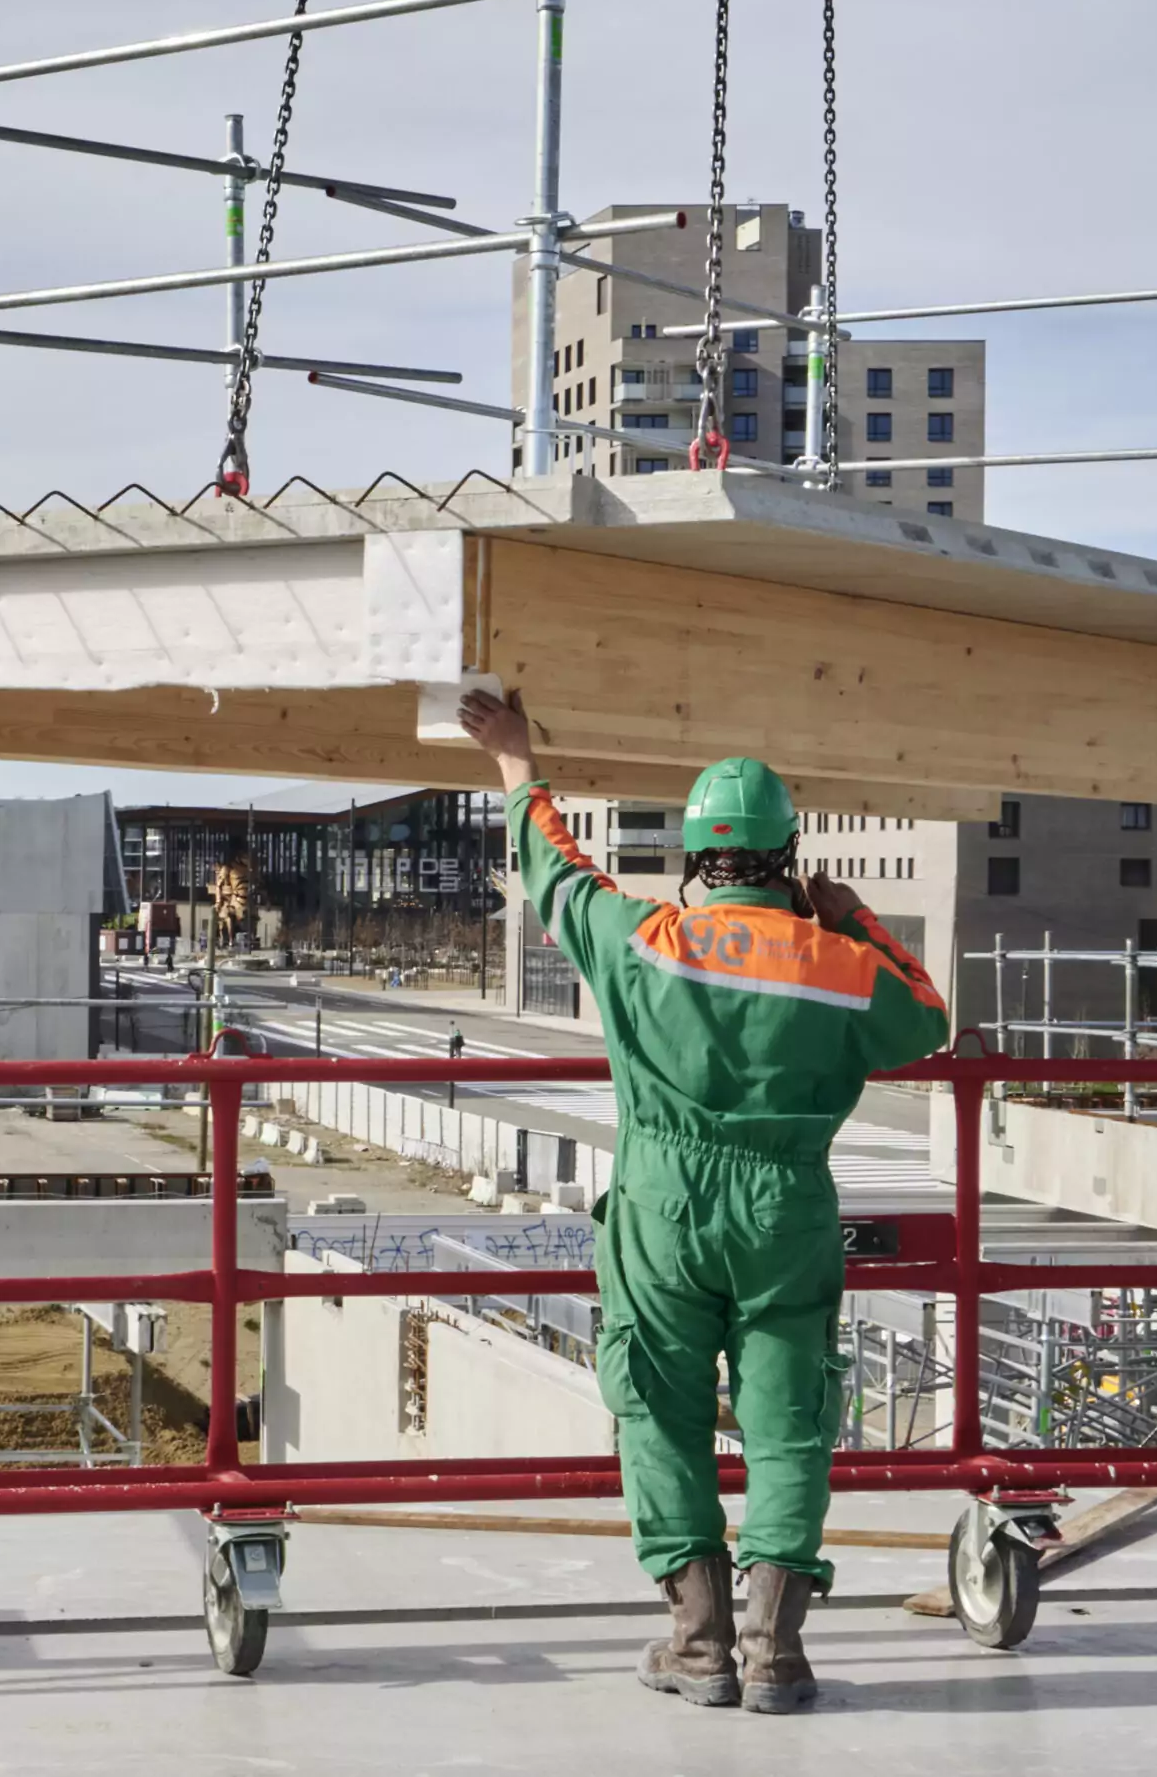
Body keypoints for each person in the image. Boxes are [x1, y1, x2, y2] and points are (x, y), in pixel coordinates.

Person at [460, 688, 947, 1714]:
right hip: (784, 1210)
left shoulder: (643, 940)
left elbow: (556, 870)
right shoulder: (840, 965)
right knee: (786, 1422)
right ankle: (775, 1650)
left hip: (661, 1204)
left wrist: (515, 758)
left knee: (660, 1410)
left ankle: (699, 1642)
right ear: (787, 850)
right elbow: (928, 1018)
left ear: (695, 851)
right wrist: (849, 914)